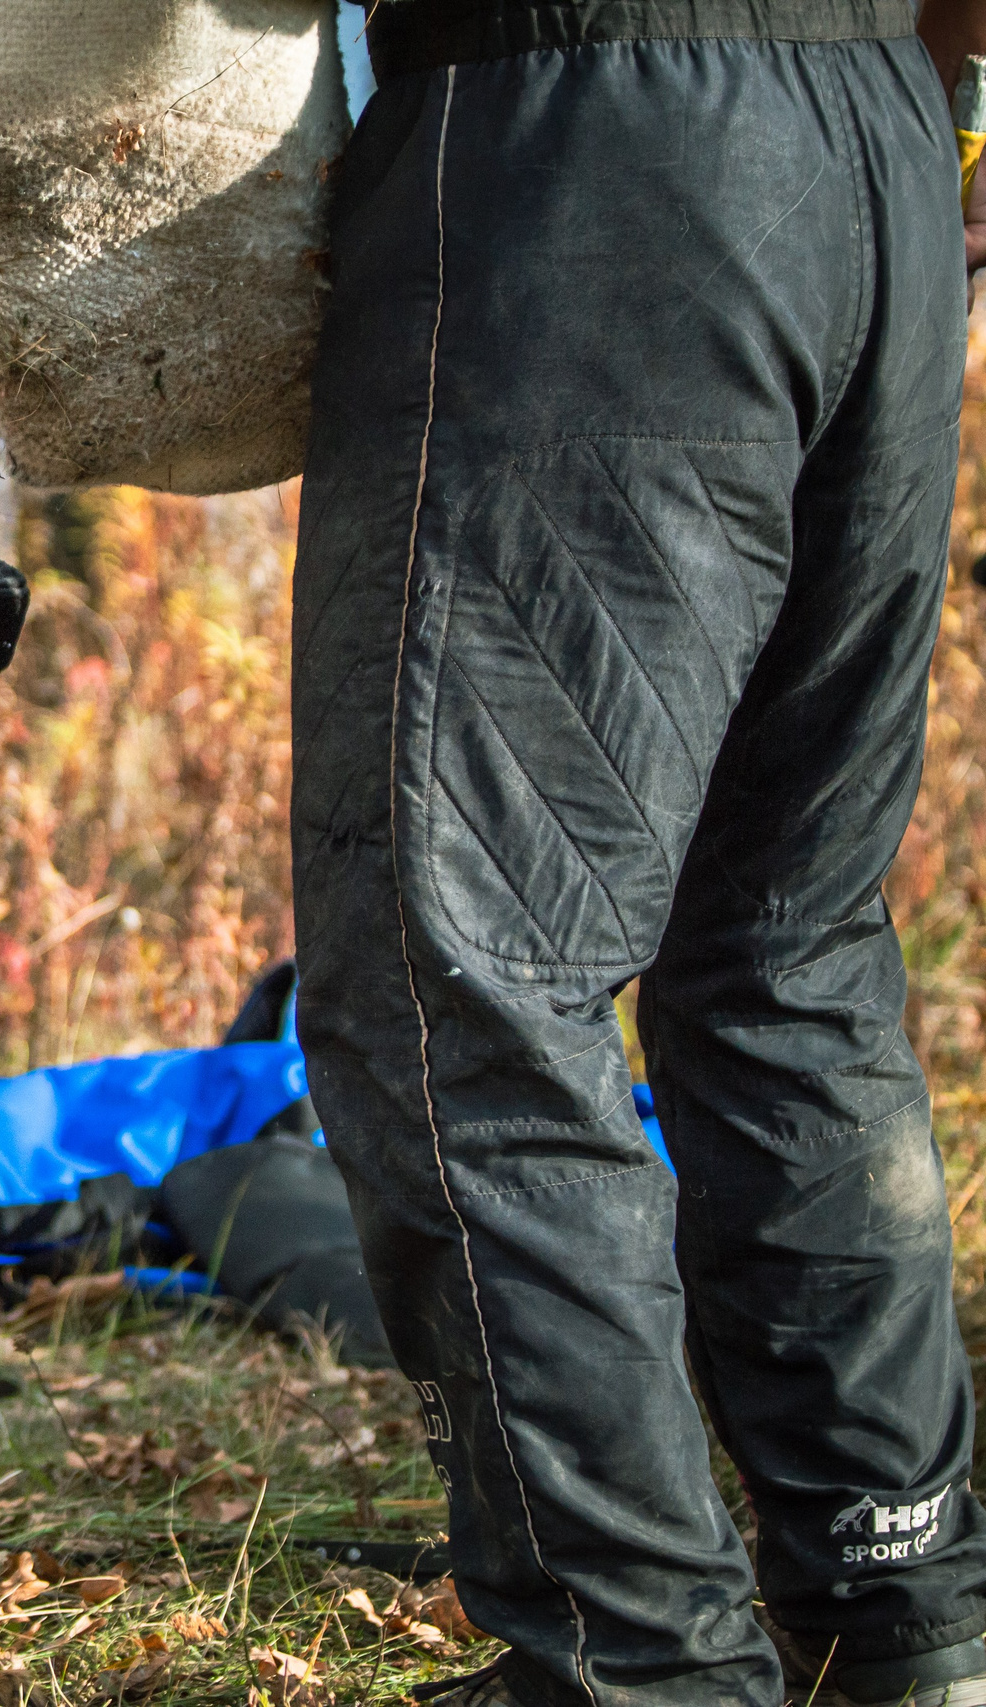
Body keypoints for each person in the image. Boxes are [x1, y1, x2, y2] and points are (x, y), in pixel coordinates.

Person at [292, 2, 986, 1704]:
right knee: (785, 939)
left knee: (460, 976)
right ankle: (897, 1594)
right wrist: (945, 126)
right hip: (890, 151)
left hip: (584, 142)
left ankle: (638, 1667)